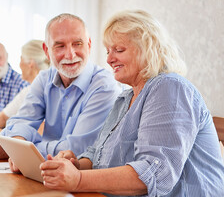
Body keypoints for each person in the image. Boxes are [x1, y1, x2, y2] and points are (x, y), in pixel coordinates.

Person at [39, 10, 224, 196]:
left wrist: (78, 179)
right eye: (108, 51)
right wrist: (77, 164)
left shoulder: (170, 88)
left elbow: (154, 174)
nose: (109, 59)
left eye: (119, 50)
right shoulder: (125, 98)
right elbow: (98, 154)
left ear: (147, 48)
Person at [0, 13, 122, 159]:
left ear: (89, 46)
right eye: (60, 46)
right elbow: (21, 121)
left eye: (77, 44)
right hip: (45, 171)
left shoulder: (105, 86)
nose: (70, 55)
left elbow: (76, 149)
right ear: (46, 51)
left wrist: (16, 149)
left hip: (80, 177)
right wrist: (17, 146)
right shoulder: (45, 78)